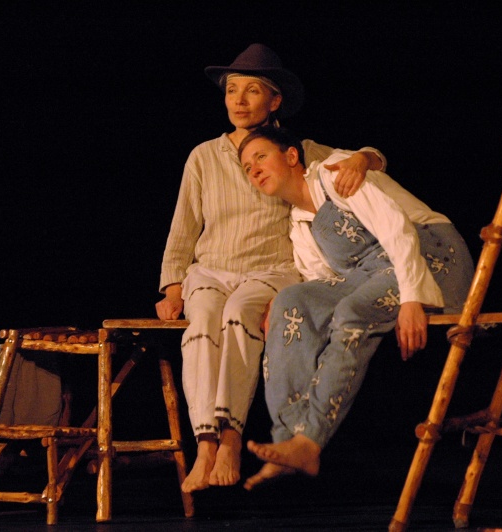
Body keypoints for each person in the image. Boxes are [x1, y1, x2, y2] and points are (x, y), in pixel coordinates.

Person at [156, 43, 387, 493]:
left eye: (252, 91)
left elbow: (369, 157)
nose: (239, 101)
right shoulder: (204, 156)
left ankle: (230, 439)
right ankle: (205, 443)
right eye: (232, 91)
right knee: (202, 321)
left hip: (271, 270)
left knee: (239, 314)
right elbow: (183, 227)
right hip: (212, 270)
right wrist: (172, 286)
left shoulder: (294, 149)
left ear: (275, 100)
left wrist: (365, 157)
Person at [237, 126, 474, 489]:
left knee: (352, 311)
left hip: (430, 254)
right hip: (371, 275)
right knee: (291, 302)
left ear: (291, 156)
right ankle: (289, 440)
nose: (254, 169)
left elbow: (395, 228)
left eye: (261, 157)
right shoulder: (299, 228)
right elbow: (322, 286)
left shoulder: (335, 173)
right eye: (246, 167)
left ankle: (310, 440)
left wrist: (412, 297)